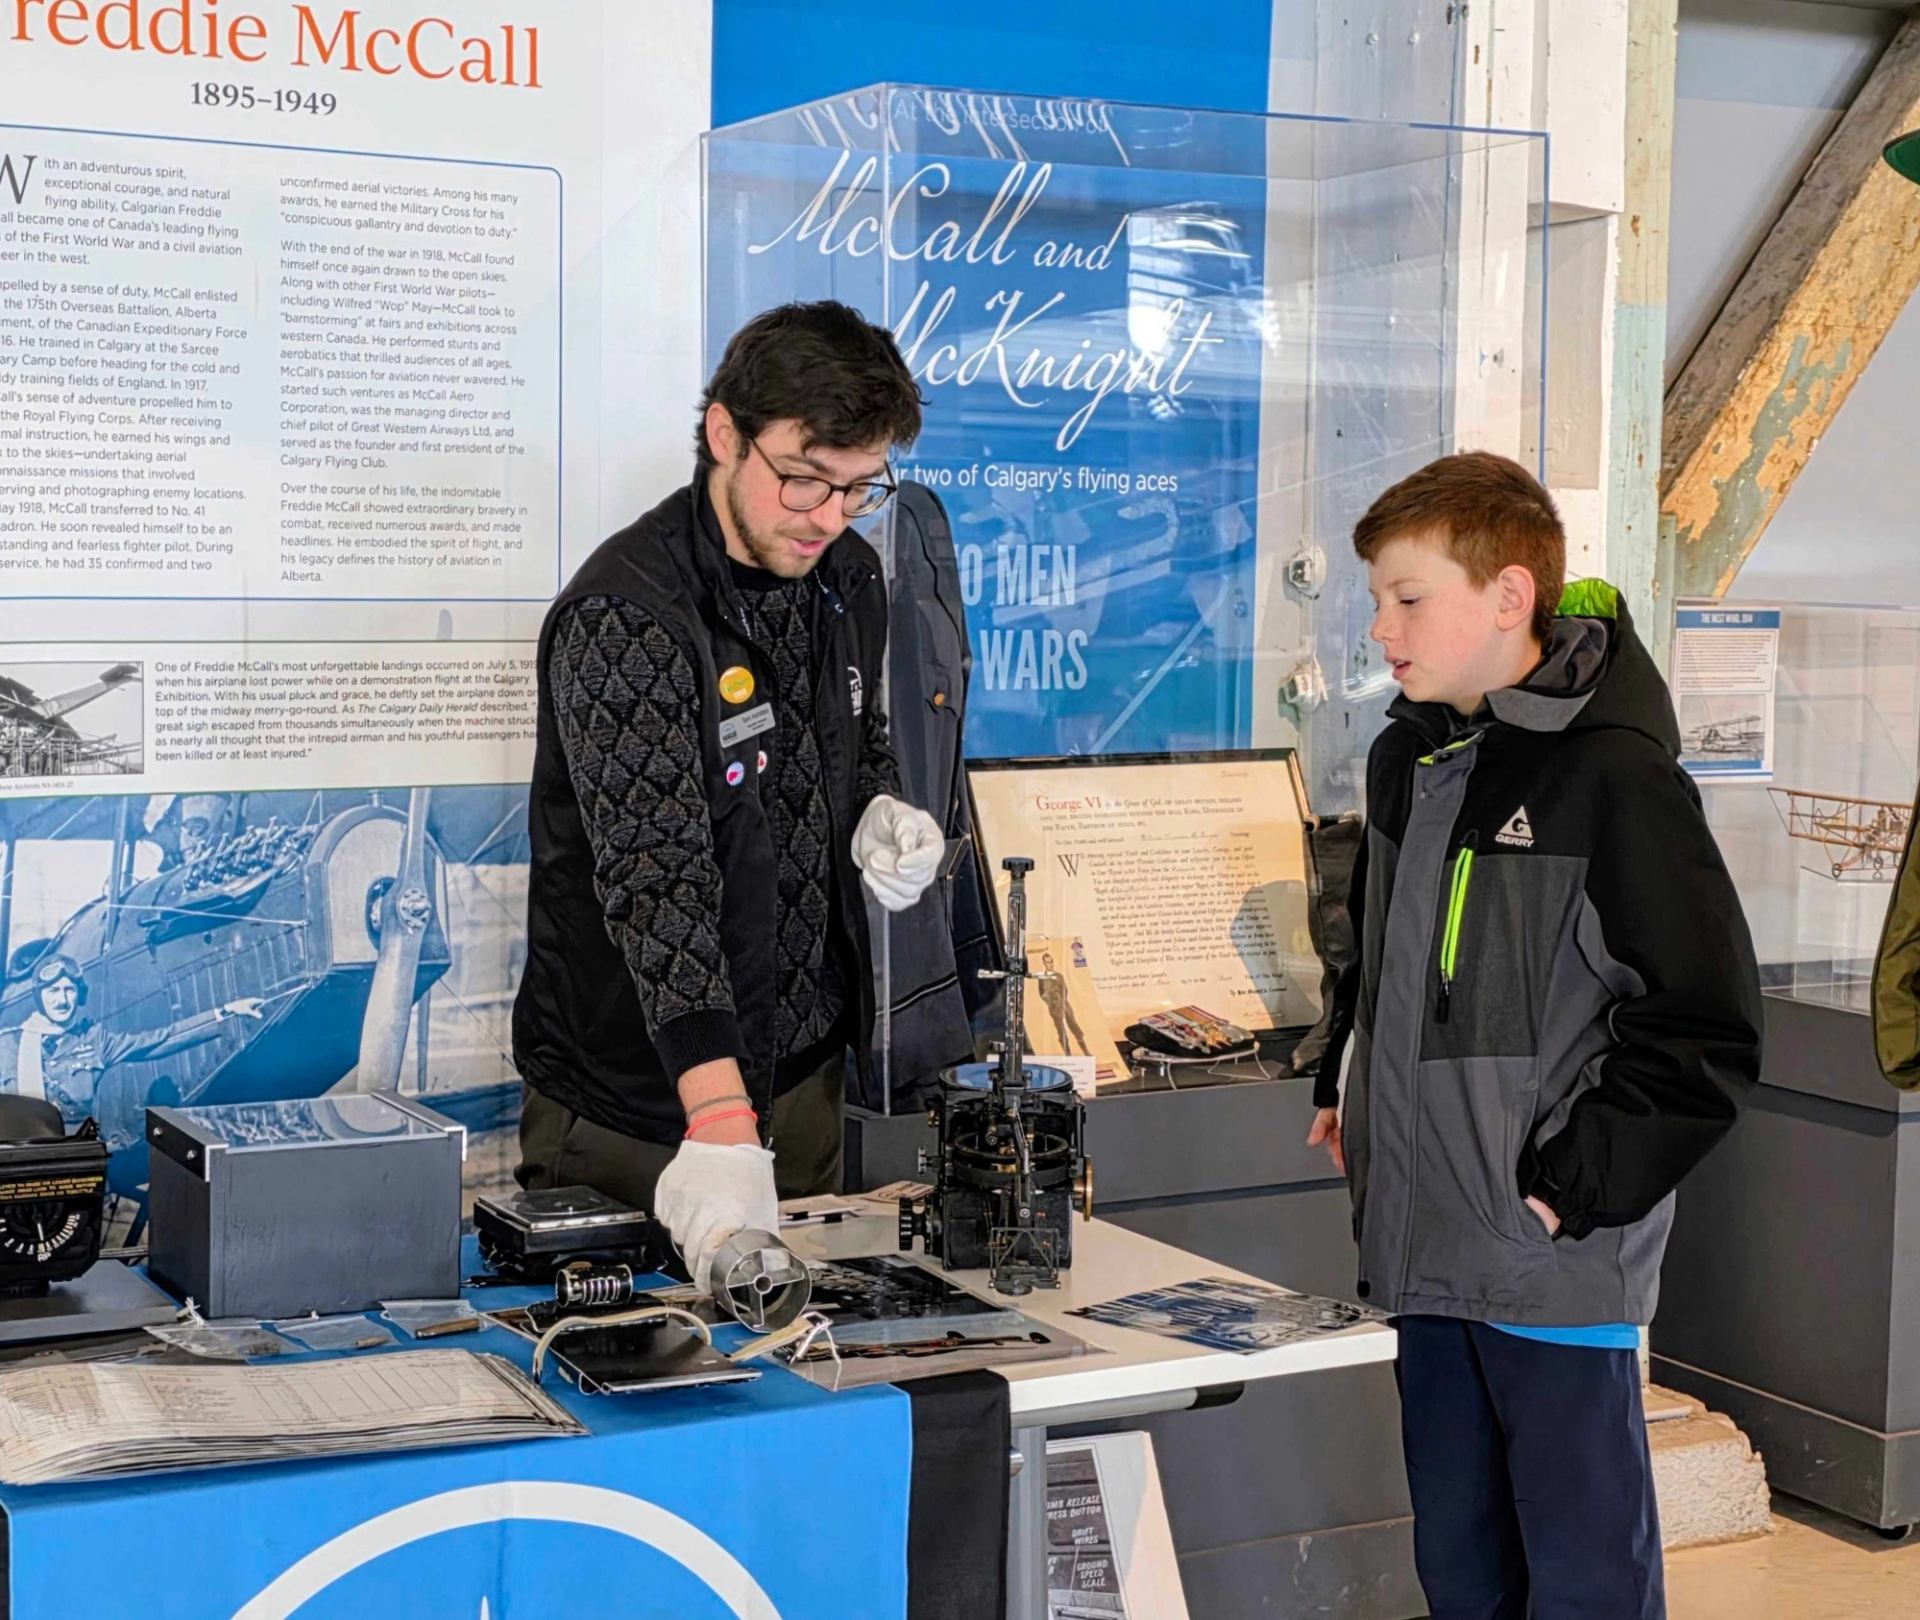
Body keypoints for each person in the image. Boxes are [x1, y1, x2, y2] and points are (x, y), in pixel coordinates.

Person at [1305, 451, 1763, 1619]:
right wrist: (1341, 1077)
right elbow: (1382, 962)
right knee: (1461, 1570)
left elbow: (1701, 1028)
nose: (1382, 626)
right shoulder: (1409, 756)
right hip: (1423, 1247)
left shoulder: (1614, 777)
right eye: (1375, 599)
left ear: (1510, 596)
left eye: (1408, 598)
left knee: (1583, 1581)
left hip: (1548, 1263)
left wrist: (1566, 1190)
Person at [513, 301, 945, 1292]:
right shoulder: (628, 614)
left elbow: (854, 738)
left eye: (858, 488)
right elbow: (653, 878)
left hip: (798, 1079)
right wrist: (716, 1120)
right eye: (803, 479)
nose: (829, 516)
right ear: (723, 434)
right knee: (631, 1385)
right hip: (642, 1106)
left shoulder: (850, 578)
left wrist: (884, 806)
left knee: (800, 1373)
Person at [0, 953, 264, 1144]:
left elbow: (161, 1039)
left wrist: (224, 1012)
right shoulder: (9, 1043)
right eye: (53, 991)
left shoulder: (94, 1039)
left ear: (79, 995)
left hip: (77, 1156)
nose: (61, 999)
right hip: (20, 1157)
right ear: (39, 997)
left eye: (69, 990)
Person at [1037, 951, 1090, 1057]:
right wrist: (1051, 1003)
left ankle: (1086, 1052)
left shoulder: (1059, 976)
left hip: (1065, 1006)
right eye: (1047, 962)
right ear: (1044, 963)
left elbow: (1065, 990)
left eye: (1051, 962)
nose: (1050, 964)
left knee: (1075, 1028)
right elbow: (1041, 993)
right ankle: (1068, 1055)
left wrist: (1063, 1001)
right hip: (1054, 1008)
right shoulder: (1042, 978)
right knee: (1061, 1032)